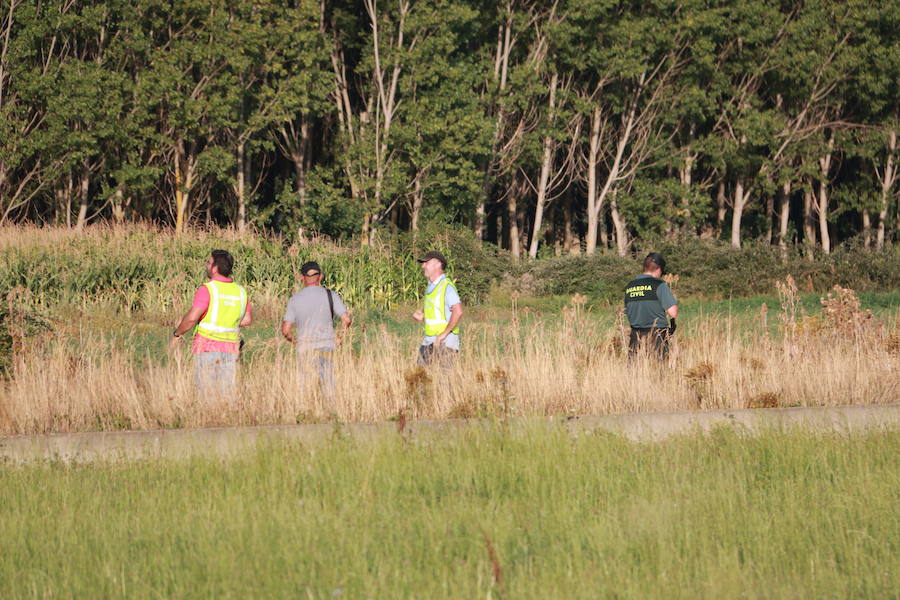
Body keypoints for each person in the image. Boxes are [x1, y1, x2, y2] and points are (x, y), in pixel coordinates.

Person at [169, 249, 252, 396]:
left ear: (215, 268)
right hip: (231, 348)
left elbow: (192, 318)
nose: (206, 266)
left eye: (209, 262)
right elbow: (246, 320)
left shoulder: (208, 289)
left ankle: (208, 418)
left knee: (206, 394)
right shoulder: (240, 291)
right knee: (227, 394)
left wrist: (177, 334)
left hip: (207, 347)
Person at [281, 261, 351, 399]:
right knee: (328, 387)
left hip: (305, 347)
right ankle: (330, 414)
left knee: (305, 389)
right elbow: (347, 319)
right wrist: (339, 338)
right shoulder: (331, 295)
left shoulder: (294, 300)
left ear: (302, 277)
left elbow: (285, 331)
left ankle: (307, 412)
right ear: (321, 277)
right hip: (327, 346)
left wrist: (296, 342)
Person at [412, 250, 463, 366]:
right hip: (429, 341)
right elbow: (436, 311)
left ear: (438, 264)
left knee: (443, 382)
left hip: (445, 343)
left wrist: (444, 334)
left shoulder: (446, 286)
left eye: (426, 263)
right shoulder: (430, 287)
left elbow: (458, 311)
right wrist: (422, 315)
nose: (423, 266)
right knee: (420, 378)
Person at [624, 252, 678, 360]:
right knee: (658, 370)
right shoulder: (659, 285)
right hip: (657, 335)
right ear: (658, 269)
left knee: (635, 369)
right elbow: (673, 312)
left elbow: (627, 311)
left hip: (635, 335)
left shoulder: (630, 286)